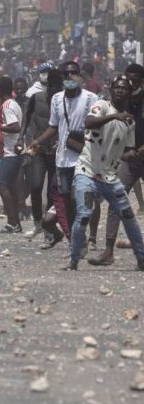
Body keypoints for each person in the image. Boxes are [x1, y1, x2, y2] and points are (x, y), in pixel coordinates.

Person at [65, 75, 144, 271]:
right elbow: (89, 122)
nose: (119, 90)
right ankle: (74, 259)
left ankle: (141, 258)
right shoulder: (101, 105)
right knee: (84, 214)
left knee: (128, 215)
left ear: (129, 92)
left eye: (124, 88)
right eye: (117, 87)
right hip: (87, 171)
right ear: (111, 89)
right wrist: (115, 116)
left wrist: (135, 153)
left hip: (110, 177)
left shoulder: (129, 123)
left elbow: (125, 152)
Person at [31, 61, 98, 253]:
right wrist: (37, 142)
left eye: (73, 73)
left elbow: (99, 126)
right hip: (63, 159)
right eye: (66, 73)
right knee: (67, 204)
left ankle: (84, 239)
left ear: (80, 76)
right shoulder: (57, 99)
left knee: (77, 200)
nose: (69, 76)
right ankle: (76, 240)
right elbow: (53, 126)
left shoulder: (91, 98)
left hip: (84, 158)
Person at [90, 63, 144, 266]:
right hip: (129, 159)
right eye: (127, 80)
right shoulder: (122, 101)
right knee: (116, 202)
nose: (129, 84)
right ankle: (109, 251)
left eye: (135, 81)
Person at [20, 69, 62, 238]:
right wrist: (21, 137)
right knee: (36, 186)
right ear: (48, 84)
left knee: (53, 191)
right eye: (53, 85)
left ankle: (49, 228)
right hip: (39, 149)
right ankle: (38, 223)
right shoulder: (36, 98)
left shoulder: (65, 101)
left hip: (58, 152)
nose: (56, 89)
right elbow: (27, 116)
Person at [0, 77, 24, 232]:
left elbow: (15, 127)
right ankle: (16, 221)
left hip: (11, 153)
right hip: (13, 151)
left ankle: (12, 221)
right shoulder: (14, 104)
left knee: (1, 184)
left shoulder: (7, 106)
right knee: (11, 186)